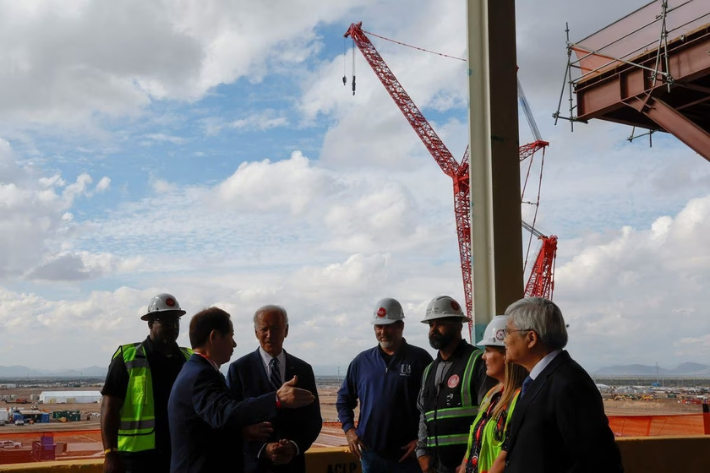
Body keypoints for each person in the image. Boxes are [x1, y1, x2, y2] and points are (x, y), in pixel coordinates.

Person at [168, 307, 316, 473]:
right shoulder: (203, 374)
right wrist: (276, 399)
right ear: (214, 337)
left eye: (275, 328)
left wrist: (245, 432)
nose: (235, 343)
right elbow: (224, 414)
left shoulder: (195, 370)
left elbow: (220, 424)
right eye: (231, 336)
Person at [502, 297, 623, 473]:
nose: (504, 340)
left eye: (507, 332)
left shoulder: (569, 383)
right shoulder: (541, 380)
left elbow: (597, 461)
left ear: (531, 338)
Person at [337, 298, 433, 473]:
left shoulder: (420, 359)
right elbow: (343, 399)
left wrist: (421, 442)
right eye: (378, 327)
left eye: (388, 325)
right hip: (371, 457)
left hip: (408, 458)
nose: (383, 332)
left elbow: (434, 406)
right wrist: (349, 430)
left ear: (400, 326)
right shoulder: (361, 362)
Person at [101, 293, 192, 473]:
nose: (172, 327)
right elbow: (109, 409)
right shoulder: (127, 359)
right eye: (165, 321)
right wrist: (110, 453)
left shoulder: (188, 360)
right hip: (137, 459)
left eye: (176, 322)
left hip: (178, 454)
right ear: (150, 323)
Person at [227, 305, 322, 473]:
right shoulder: (239, 370)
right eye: (264, 329)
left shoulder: (303, 370)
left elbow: (313, 420)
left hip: (293, 465)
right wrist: (262, 449)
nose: (270, 335)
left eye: (276, 328)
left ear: (286, 331)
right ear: (256, 332)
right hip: (253, 466)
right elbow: (230, 422)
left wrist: (293, 447)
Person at [416, 295, 497, 473]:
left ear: (459, 325)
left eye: (440, 324)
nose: (433, 329)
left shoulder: (478, 362)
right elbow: (424, 416)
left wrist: (471, 460)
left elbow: (489, 418)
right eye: (431, 325)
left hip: (467, 466)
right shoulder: (429, 370)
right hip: (435, 467)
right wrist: (422, 453)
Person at [458, 315, 527, 473]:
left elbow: (505, 457)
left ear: (506, 354)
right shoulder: (492, 394)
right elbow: (473, 447)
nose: (483, 357)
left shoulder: (520, 399)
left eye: (488, 351)